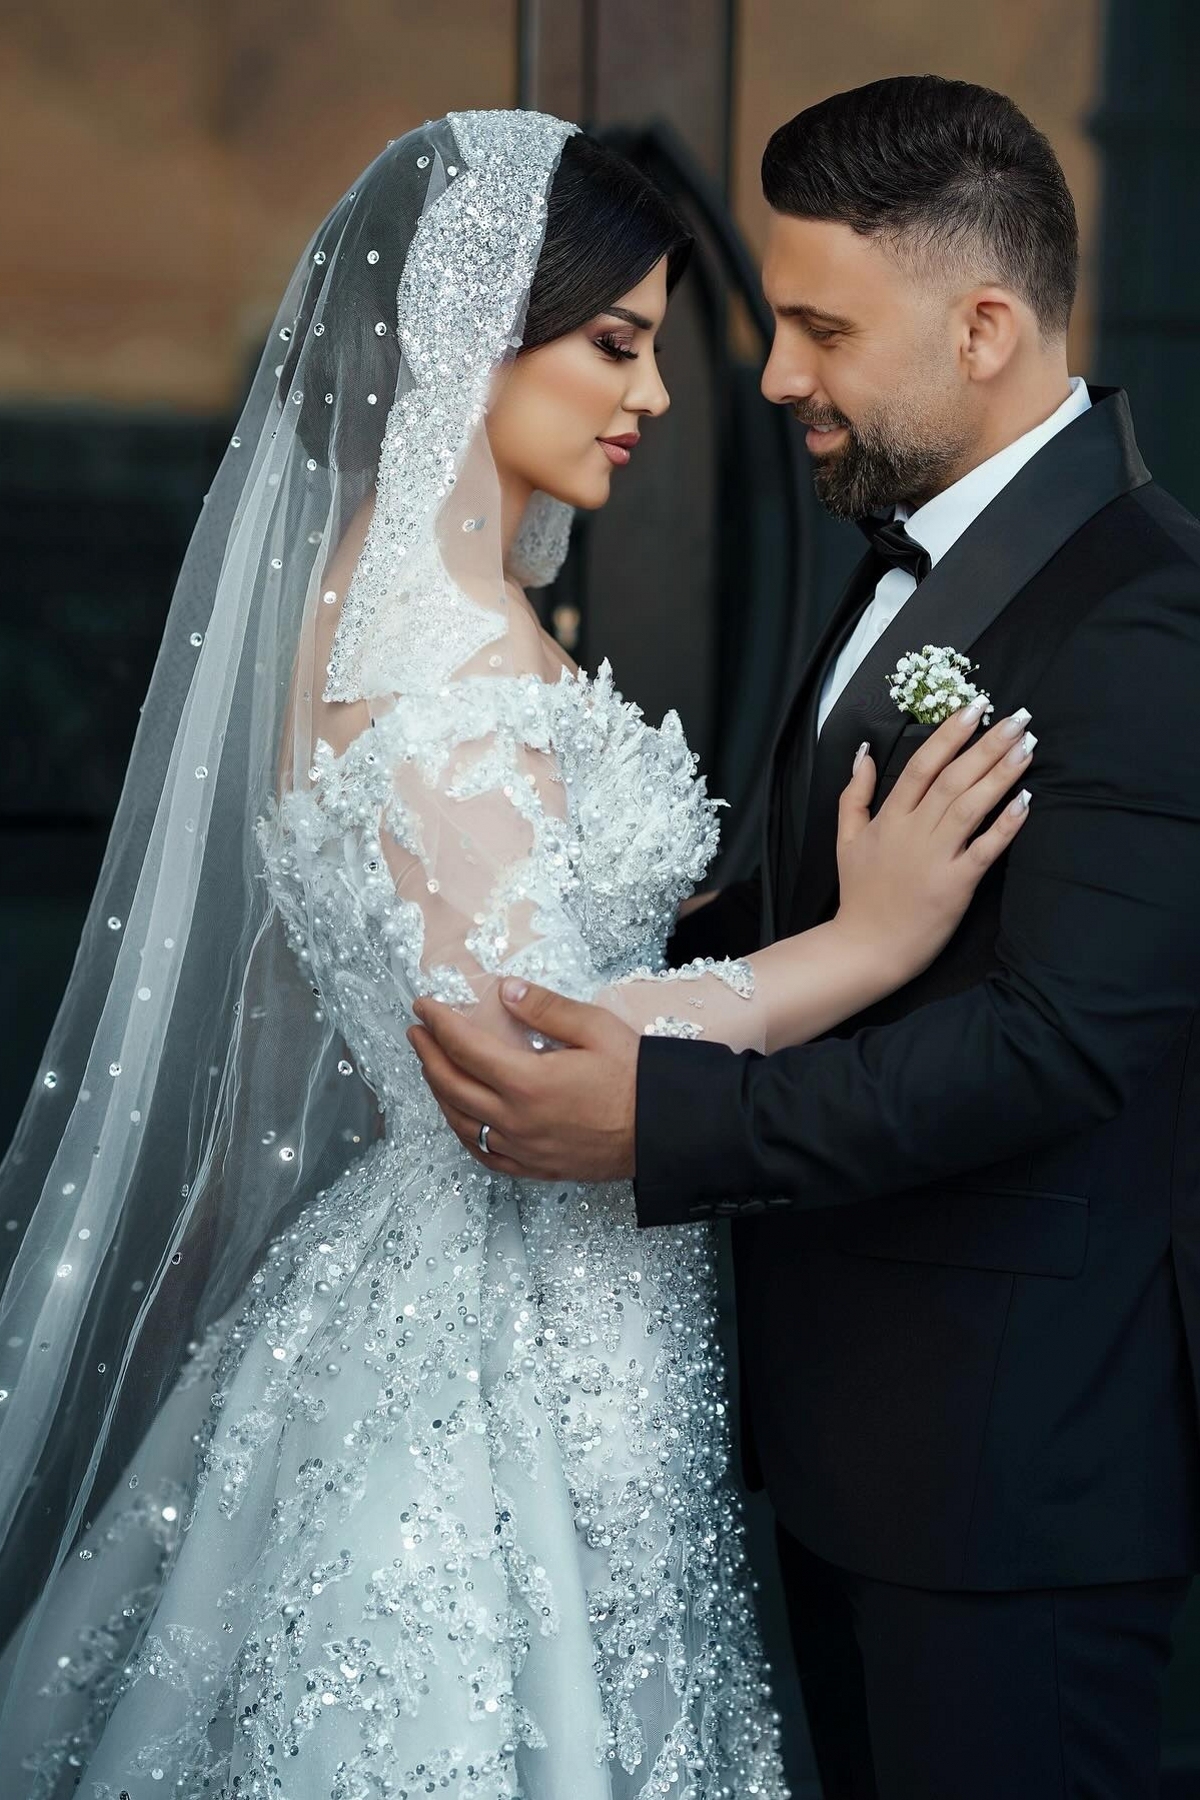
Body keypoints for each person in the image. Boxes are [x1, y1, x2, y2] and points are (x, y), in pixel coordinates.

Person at [0, 108, 1029, 1796]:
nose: (657, 394)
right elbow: (528, 1057)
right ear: (469, 333)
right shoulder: (425, 650)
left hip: (571, 1301)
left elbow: (518, 952)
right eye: (615, 343)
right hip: (492, 1339)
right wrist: (868, 944)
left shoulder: (445, 615)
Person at [411, 78, 1200, 1800]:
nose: (774, 377)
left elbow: (1058, 1041)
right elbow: (828, 910)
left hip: (1010, 1484)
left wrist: (666, 1119)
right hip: (836, 1444)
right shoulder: (911, 549)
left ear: (983, 329)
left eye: (824, 331)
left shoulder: (1150, 613)